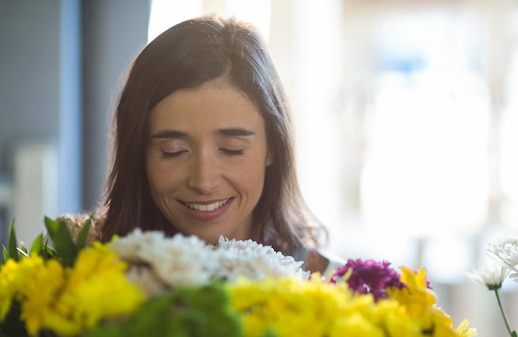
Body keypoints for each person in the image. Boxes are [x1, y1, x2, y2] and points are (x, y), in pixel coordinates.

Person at [82, 14, 341, 276]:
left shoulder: (334, 287)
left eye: (231, 149)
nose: (203, 182)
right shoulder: (80, 273)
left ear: (272, 147)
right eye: (174, 151)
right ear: (139, 152)